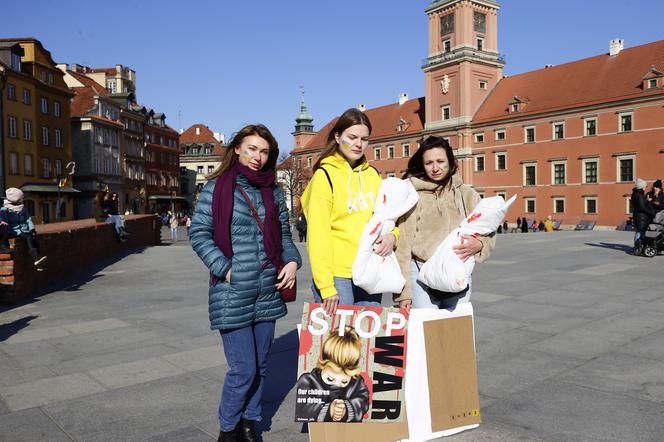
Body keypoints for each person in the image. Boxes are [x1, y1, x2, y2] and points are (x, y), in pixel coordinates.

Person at [189, 124, 301, 442]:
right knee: (243, 370)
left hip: (267, 287)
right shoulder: (217, 187)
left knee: (261, 365)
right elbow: (199, 234)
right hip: (232, 290)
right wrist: (225, 269)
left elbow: (284, 234)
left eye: (264, 151)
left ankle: (251, 424)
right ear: (237, 148)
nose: (257, 156)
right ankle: (228, 429)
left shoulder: (273, 190)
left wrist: (292, 261)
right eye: (251, 148)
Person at [301, 108, 397, 316]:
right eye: (352, 137)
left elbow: (387, 216)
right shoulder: (324, 176)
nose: (358, 144)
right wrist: (326, 287)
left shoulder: (372, 175)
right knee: (340, 344)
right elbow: (318, 235)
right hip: (338, 275)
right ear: (337, 136)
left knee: (367, 342)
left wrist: (392, 236)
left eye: (364, 139)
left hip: (369, 269)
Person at [394, 136, 495, 312]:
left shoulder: (466, 194)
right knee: (426, 334)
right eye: (429, 163)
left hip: (458, 273)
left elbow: (489, 227)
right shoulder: (412, 195)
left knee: (456, 334)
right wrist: (404, 293)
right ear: (422, 165)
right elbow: (403, 245)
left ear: (450, 161)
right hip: (421, 275)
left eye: (441, 161)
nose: (435, 168)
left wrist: (480, 244)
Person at [295, 326, 370, 422]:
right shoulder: (308, 381)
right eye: (330, 379)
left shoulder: (356, 382)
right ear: (322, 364)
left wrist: (346, 409)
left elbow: (363, 402)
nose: (337, 384)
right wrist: (329, 409)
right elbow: (303, 409)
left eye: (344, 381)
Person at [0, 188, 47, 271]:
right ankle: (36, 259)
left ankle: (39, 263)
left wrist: (32, 228)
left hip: (25, 230)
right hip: (14, 231)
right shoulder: (5, 209)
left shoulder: (23, 208)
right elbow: (5, 222)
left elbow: (28, 219)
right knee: (28, 238)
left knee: (34, 240)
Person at [631, 178, 656, 254]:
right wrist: (651, 213)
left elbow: (639, 205)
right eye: (645, 186)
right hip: (641, 217)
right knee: (640, 232)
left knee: (638, 232)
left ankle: (637, 248)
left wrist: (646, 201)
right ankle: (637, 248)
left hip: (637, 216)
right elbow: (642, 207)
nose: (645, 188)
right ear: (641, 187)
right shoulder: (640, 195)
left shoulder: (634, 194)